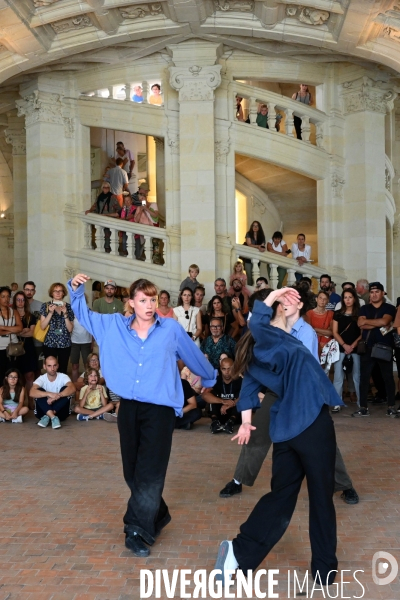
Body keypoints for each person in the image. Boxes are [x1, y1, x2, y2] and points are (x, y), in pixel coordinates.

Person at [68, 273, 217, 558]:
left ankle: (136, 530)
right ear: (131, 303)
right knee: (132, 471)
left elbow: (193, 354)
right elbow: (83, 315)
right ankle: (158, 514)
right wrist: (76, 291)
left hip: (160, 410)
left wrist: (209, 378)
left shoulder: (171, 329)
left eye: (152, 299)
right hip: (129, 408)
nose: (150, 305)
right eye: (143, 300)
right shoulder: (113, 326)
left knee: (150, 472)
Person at [215, 287, 342, 588]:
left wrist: (246, 423)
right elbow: (258, 322)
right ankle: (324, 569)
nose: (290, 306)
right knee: (322, 497)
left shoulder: (261, 349)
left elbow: (247, 392)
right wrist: (273, 296)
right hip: (311, 423)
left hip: (285, 430)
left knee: (281, 497)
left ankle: (238, 552)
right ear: (277, 311)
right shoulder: (270, 337)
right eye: (284, 305)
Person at [219, 286, 359, 505]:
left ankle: (344, 484)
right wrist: (246, 420)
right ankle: (239, 479)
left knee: (323, 439)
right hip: (277, 391)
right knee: (257, 432)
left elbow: (308, 369)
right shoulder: (263, 335)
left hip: (303, 392)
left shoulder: (304, 332)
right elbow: (250, 382)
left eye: (290, 300)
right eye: (283, 301)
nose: (286, 303)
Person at [353, 282, 397, 418]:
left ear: (383, 293)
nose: (374, 294)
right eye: (372, 292)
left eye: (377, 292)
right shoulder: (364, 308)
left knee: (388, 377)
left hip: (384, 347)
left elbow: (385, 322)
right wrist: (377, 322)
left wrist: (369, 322)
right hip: (367, 347)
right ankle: (363, 407)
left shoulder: (389, 308)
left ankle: (391, 406)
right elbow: (360, 324)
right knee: (364, 378)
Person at [332, 288, 361, 411]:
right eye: (345, 297)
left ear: (354, 298)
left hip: (356, 348)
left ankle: (361, 403)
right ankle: (336, 402)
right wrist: (344, 345)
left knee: (357, 376)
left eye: (350, 297)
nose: (348, 300)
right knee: (338, 376)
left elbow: (362, 333)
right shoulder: (337, 314)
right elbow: (334, 332)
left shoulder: (360, 313)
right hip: (340, 348)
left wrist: (352, 345)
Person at [31, 356, 76, 429]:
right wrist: (49, 394)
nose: (52, 369)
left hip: (61, 413)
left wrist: (57, 396)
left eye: (54, 365)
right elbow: (32, 392)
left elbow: (73, 388)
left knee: (66, 389)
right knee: (38, 390)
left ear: (57, 366)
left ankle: (49, 416)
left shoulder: (63, 376)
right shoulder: (41, 378)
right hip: (42, 413)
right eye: (49, 366)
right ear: (44, 366)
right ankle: (53, 417)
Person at [39, 283, 74, 375]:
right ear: (52, 293)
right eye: (55, 291)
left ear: (63, 293)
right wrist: (50, 313)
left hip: (64, 343)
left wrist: (65, 314)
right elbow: (42, 326)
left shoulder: (69, 307)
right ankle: (51, 388)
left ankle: (61, 388)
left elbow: (70, 329)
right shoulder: (45, 306)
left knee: (62, 370)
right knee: (51, 370)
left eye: (60, 291)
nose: (58, 293)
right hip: (50, 342)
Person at [202, 357, 242, 434]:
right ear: (220, 369)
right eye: (224, 369)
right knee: (211, 396)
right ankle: (215, 422)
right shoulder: (216, 380)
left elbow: (244, 396)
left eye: (229, 369)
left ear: (233, 368)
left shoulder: (239, 380)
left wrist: (231, 404)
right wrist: (223, 401)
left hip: (235, 415)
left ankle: (230, 423)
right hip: (219, 412)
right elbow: (205, 395)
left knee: (241, 399)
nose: (227, 372)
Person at [12, 291, 38, 405]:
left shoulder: (30, 316)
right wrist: (24, 330)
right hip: (14, 347)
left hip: (28, 347)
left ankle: (31, 400)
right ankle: (18, 401)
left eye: (23, 299)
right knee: (17, 376)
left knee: (29, 375)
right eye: (18, 299)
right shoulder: (11, 315)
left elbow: (32, 333)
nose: (21, 302)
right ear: (15, 301)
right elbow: (12, 331)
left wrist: (18, 331)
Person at [85, 182, 121, 252]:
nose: (106, 189)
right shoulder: (99, 197)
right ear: (102, 188)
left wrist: (111, 215)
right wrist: (89, 210)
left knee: (108, 234)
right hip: (100, 219)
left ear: (109, 189)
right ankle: (101, 247)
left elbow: (119, 209)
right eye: (104, 187)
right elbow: (95, 206)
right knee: (101, 234)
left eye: (107, 187)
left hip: (109, 219)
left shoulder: (113, 197)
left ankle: (107, 248)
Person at [0, 286, 23, 382]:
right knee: (1, 375)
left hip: (14, 347)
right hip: (0, 348)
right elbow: (16, 328)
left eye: (8, 296)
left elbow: (20, 328)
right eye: (3, 296)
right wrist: (13, 330)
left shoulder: (14, 312)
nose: (6, 299)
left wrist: (3, 327)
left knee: (13, 374)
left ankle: (13, 396)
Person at [70, 298, 93, 383]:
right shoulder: (71, 312)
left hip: (86, 342)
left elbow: (92, 328)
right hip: (74, 342)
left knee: (87, 366)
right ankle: (76, 386)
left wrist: (92, 342)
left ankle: (87, 385)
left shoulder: (89, 311)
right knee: (74, 366)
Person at [305, 290, 334, 356]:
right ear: (316, 299)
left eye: (325, 299)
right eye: (320, 298)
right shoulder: (309, 313)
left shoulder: (331, 314)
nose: (322, 300)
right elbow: (308, 331)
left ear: (327, 301)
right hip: (312, 344)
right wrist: (324, 332)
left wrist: (314, 329)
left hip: (327, 346)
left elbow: (331, 332)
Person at [243, 221, 266, 285]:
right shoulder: (248, 234)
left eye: (257, 226)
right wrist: (258, 246)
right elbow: (249, 244)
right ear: (251, 227)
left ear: (259, 227)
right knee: (249, 276)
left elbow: (262, 246)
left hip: (257, 258)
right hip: (248, 258)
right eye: (253, 225)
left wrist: (261, 248)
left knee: (256, 276)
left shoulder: (262, 236)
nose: (255, 227)